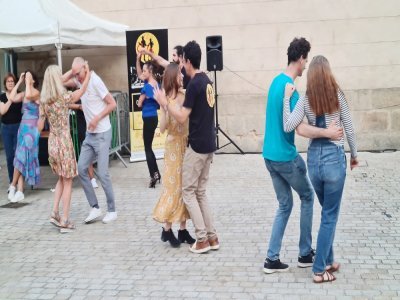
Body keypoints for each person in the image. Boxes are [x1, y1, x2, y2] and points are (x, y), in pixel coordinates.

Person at [262, 37, 344, 274]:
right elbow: (299, 128)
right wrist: (327, 132)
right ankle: (305, 253)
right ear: (299, 59)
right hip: (286, 158)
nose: (306, 64)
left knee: (285, 204)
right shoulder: (292, 90)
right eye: (305, 59)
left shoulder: (274, 82)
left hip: (268, 156)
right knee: (307, 197)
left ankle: (271, 259)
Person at [283, 55, 358, 283]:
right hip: (334, 159)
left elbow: (289, 124)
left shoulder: (306, 99)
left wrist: (287, 100)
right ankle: (318, 270)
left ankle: (327, 259)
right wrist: (354, 155)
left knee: (328, 212)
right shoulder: (338, 96)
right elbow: (350, 129)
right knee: (330, 214)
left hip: (314, 160)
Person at [154, 40, 219, 254]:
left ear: (188, 61)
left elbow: (181, 117)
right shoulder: (207, 81)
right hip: (209, 144)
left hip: (197, 147)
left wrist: (164, 103)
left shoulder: (193, 85)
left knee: (188, 192)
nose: (180, 65)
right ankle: (212, 237)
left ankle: (201, 239)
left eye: (182, 61)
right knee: (200, 192)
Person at [62, 57, 117, 224]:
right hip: (90, 135)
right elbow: (60, 81)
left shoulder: (95, 81)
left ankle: (112, 210)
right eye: (75, 74)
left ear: (86, 68)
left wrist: (96, 119)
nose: (76, 77)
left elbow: (112, 104)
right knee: (81, 168)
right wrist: (73, 71)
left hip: (102, 133)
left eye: (78, 73)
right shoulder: (80, 80)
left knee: (103, 172)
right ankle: (95, 207)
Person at [39, 64, 91, 233]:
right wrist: (88, 75)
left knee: (61, 178)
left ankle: (54, 212)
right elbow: (80, 92)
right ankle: (65, 220)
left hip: (52, 142)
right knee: (68, 181)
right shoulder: (62, 97)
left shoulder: (44, 101)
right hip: (63, 141)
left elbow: (40, 124)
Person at [152, 63, 196, 248]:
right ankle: (167, 229)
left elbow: (187, 119)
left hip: (186, 144)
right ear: (172, 77)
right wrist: (163, 106)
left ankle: (183, 230)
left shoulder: (185, 95)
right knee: (172, 187)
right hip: (172, 148)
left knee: (186, 186)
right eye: (179, 74)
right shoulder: (165, 99)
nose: (182, 76)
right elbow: (162, 128)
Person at [8, 70, 41, 202]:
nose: (27, 78)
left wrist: (27, 83)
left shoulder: (36, 93)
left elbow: (28, 94)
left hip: (32, 129)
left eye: (29, 77)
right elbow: (11, 98)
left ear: (33, 80)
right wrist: (20, 81)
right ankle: (18, 189)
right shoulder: (23, 92)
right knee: (19, 156)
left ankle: (13, 186)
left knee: (24, 155)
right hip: (23, 127)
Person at [136, 53, 161, 188]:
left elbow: (139, 104)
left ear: (150, 71)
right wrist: (138, 58)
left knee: (147, 148)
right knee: (149, 147)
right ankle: (157, 172)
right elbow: (139, 72)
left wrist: (139, 101)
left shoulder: (146, 87)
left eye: (145, 70)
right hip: (155, 118)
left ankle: (154, 175)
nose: (143, 72)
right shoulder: (156, 84)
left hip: (148, 118)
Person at [68, 100, 99, 189]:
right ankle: (92, 179)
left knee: (89, 155)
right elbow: (67, 104)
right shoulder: (78, 95)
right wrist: (79, 106)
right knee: (86, 155)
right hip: (83, 128)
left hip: (91, 128)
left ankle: (92, 179)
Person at [0, 73, 23, 188]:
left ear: (15, 83)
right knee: (9, 156)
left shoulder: (19, 95)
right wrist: (10, 100)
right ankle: (11, 182)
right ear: (5, 84)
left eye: (12, 81)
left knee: (17, 156)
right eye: (8, 81)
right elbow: (3, 111)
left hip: (18, 127)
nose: (10, 83)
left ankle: (19, 184)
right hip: (6, 129)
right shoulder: (2, 97)